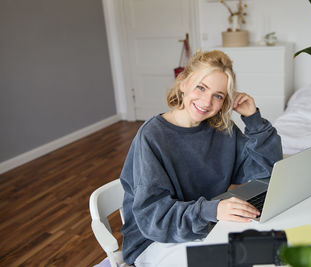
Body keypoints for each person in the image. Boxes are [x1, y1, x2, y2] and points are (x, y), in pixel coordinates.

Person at [119, 50, 283, 267]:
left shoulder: (223, 129)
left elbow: (265, 171)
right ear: (183, 83)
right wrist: (213, 210)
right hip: (154, 241)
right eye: (201, 87)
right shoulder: (152, 136)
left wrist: (253, 119)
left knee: (272, 251)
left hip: (206, 226)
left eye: (218, 95)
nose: (207, 102)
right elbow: (154, 219)